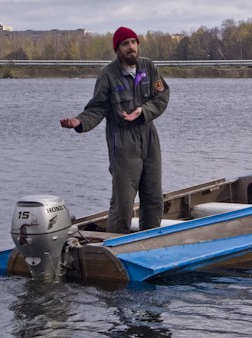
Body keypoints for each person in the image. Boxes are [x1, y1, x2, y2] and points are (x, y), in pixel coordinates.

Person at [60, 26, 170, 233]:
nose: (131, 48)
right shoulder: (108, 75)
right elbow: (97, 107)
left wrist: (143, 111)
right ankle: (114, 244)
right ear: (117, 49)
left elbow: (162, 96)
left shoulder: (149, 67)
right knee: (123, 201)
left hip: (149, 136)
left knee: (154, 197)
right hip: (123, 141)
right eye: (125, 44)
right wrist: (79, 122)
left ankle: (151, 239)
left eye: (133, 42)